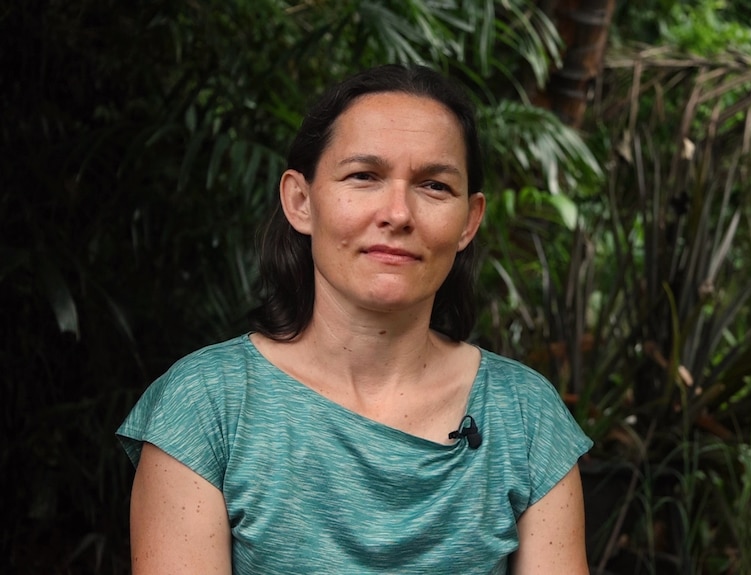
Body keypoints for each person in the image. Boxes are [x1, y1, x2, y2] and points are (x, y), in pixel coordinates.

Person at [117, 63, 593, 574]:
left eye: (434, 185)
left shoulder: (525, 417)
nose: (398, 213)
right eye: (364, 176)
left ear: (469, 221)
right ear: (301, 200)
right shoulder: (208, 406)